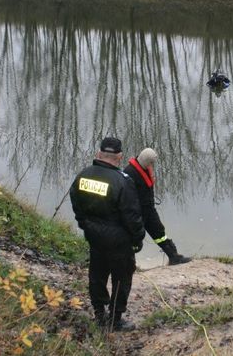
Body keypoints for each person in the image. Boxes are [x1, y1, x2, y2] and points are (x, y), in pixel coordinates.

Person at [69, 137, 145, 331]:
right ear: (119, 157)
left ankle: (99, 314)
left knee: (97, 274)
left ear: (98, 154)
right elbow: (132, 216)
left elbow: (76, 203)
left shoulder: (83, 176)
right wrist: (138, 238)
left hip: (93, 235)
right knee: (122, 277)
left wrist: (85, 224)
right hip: (119, 240)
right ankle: (115, 319)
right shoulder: (122, 182)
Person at [124, 148, 191, 265]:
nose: (152, 165)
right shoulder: (129, 173)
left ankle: (173, 256)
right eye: (151, 163)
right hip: (137, 213)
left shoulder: (145, 168)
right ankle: (127, 263)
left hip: (149, 209)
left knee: (159, 232)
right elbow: (126, 196)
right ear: (146, 161)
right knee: (133, 239)